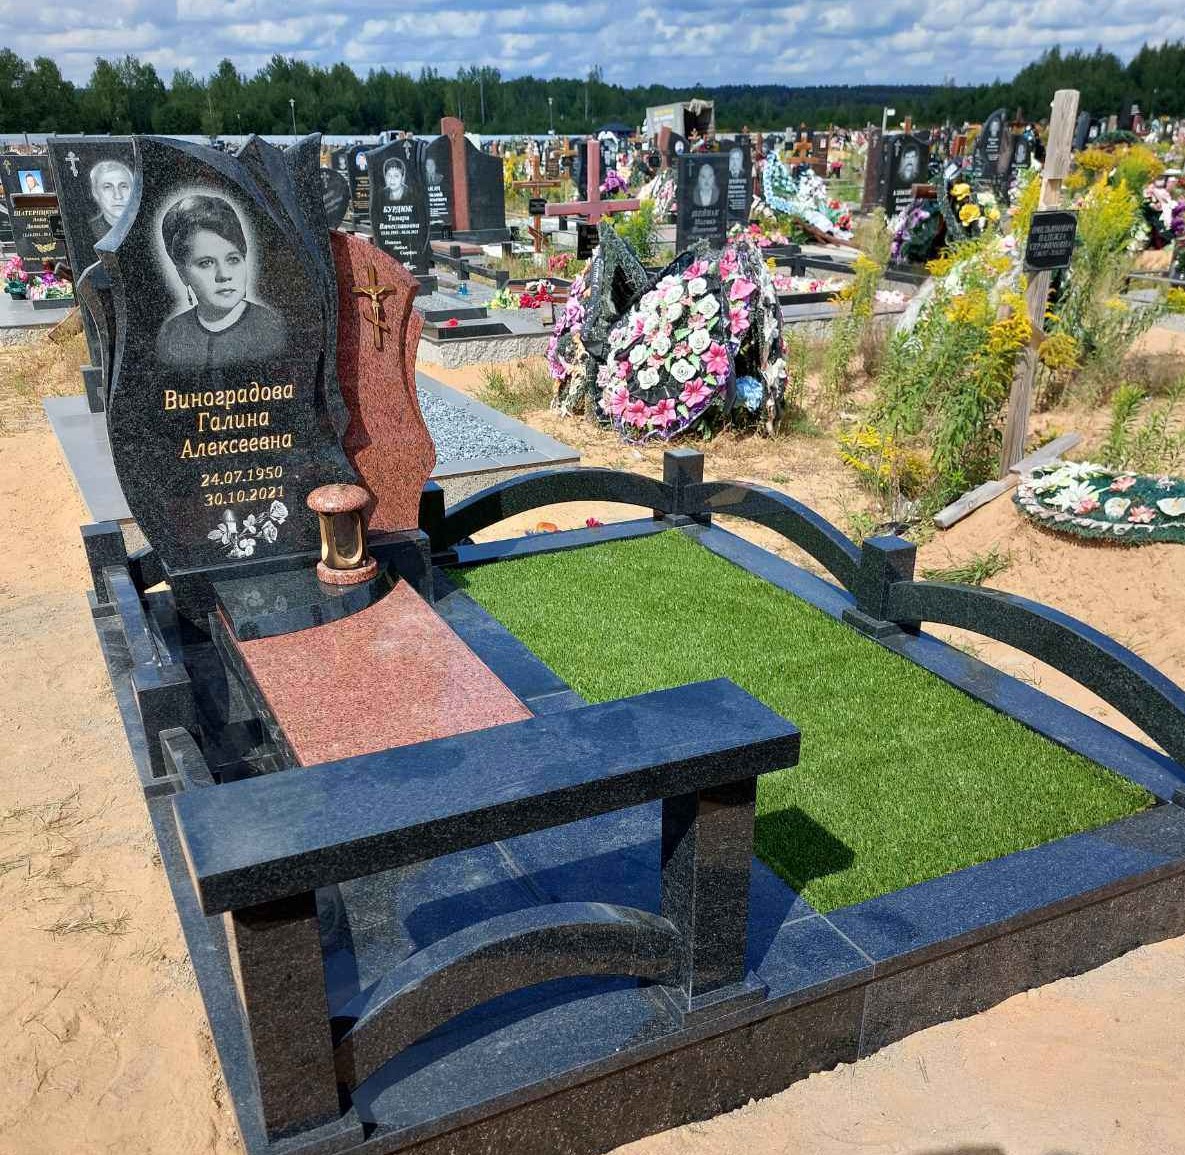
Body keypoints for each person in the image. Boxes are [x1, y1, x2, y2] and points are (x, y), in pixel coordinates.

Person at [155, 193, 285, 371]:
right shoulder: (171, 334)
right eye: (206, 263)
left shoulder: (270, 328)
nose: (224, 275)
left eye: (233, 259)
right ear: (183, 274)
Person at [88, 159, 133, 240]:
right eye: (108, 187)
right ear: (95, 193)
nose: (118, 196)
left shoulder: (148, 226)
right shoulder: (86, 231)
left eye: (123, 186)